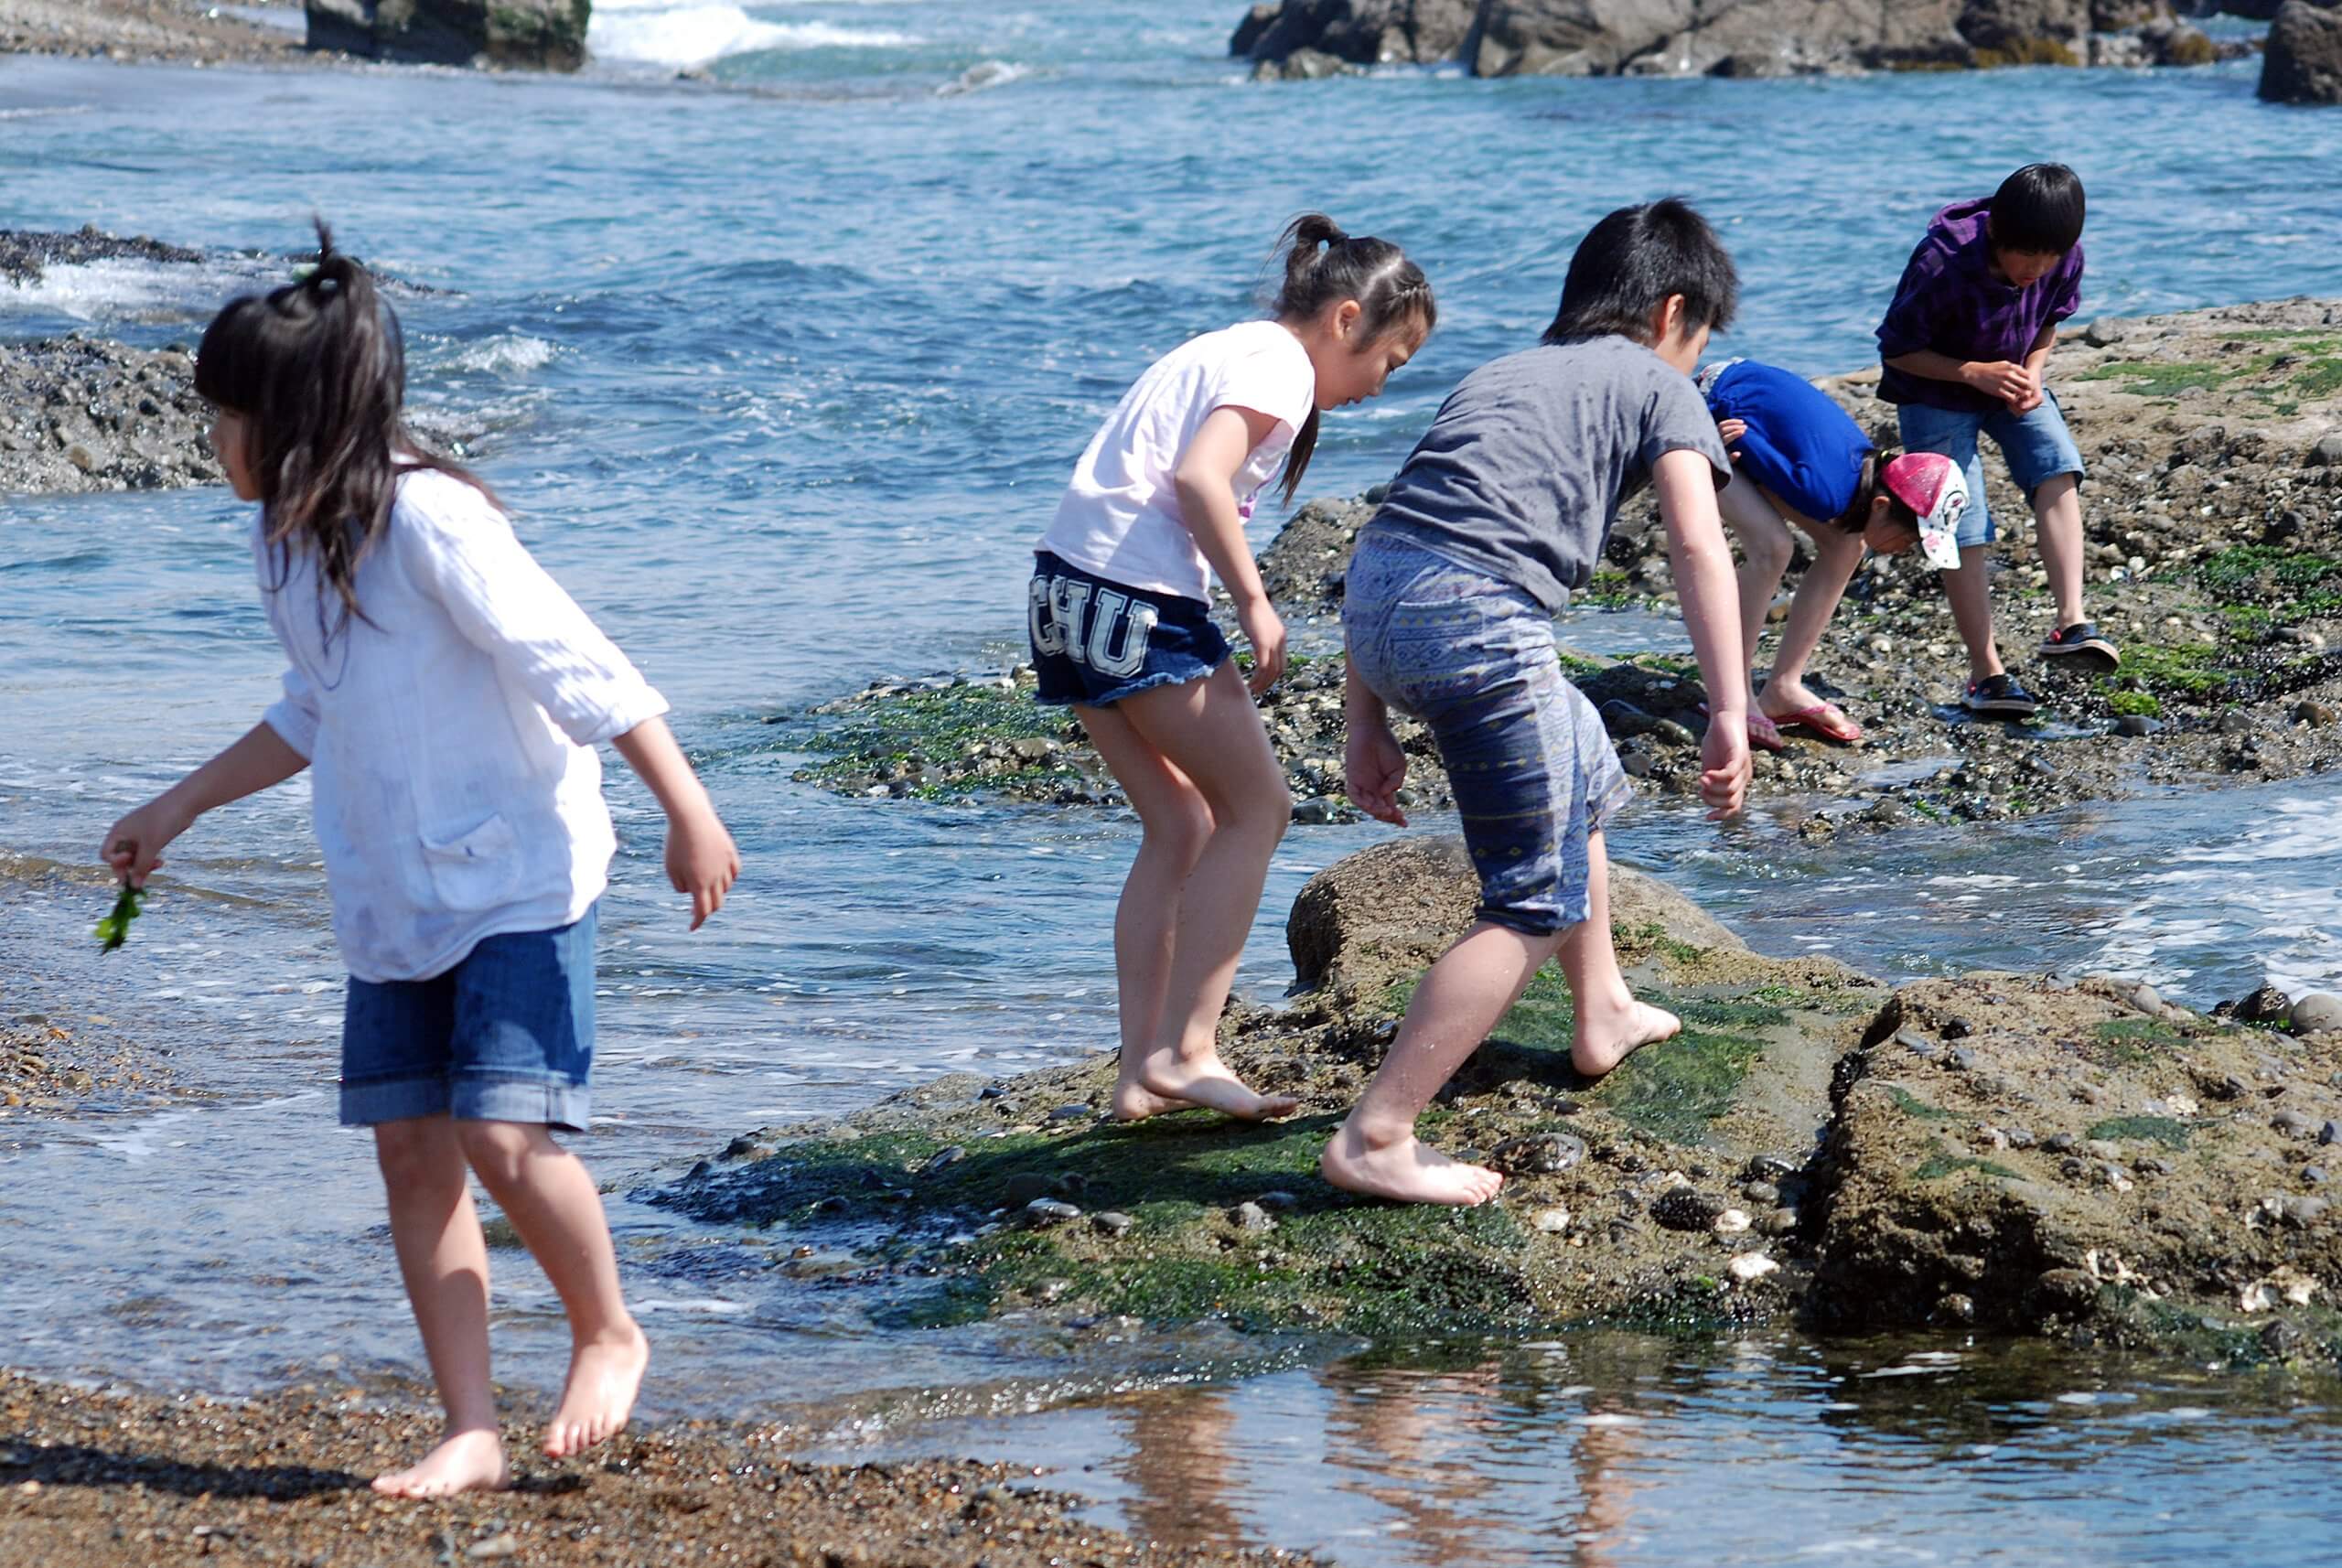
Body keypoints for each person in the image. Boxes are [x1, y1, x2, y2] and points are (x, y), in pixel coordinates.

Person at [99, 227, 740, 1499]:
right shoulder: (287, 540)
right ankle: (470, 1424)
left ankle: (609, 1329)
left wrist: (688, 807)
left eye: (224, 416)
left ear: (293, 418)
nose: (209, 441)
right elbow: (310, 709)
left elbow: (579, 662)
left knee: (507, 1132)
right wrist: (178, 805)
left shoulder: (433, 518)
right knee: (411, 1149)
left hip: (519, 877)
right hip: (392, 893)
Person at [1326, 198, 1750, 1208]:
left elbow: (1401, 526)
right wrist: (1729, 704)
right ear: (1671, 314)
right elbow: (1700, 545)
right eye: (1697, 342)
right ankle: (1376, 1132)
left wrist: (1364, 716)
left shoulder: (1501, 374)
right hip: (1477, 620)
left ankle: (1600, 1006)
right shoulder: (1658, 382)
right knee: (1530, 898)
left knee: (1582, 755)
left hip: (1380, 604)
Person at [1029, 214, 1434, 1124]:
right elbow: (1199, 478)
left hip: (1061, 595)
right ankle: (1191, 1048)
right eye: (1389, 364)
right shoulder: (1279, 368)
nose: (1380, 388)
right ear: (1343, 320)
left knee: (1179, 822)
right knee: (1260, 808)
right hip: (1132, 602)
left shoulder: (1228, 346)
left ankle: (1141, 1074)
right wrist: (1254, 602)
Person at [1875, 161, 2121, 720]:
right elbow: (1896, 350)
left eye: (2049, 257)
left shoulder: (2062, 252)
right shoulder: (1942, 261)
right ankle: (1986, 675)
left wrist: (2032, 371)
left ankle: (2071, 622)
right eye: (2025, 256)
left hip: (2010, 380)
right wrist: (1972, 372)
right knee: (1959, 516)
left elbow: (2049, 322)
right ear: (1994, 235)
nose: (2036, 269)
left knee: (2057, 464)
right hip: (1934, 388)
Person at [1697, 356, 1966, 747]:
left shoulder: (1862, 475)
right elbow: (1744, 442)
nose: (1904, 551)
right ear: (1880, 506)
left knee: (1846, 545)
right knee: (1773, 547)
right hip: (1708, 409)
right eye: (1909, 540)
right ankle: (1731, 693)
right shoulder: (1823, 493)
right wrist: (1702, 438)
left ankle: (1783, 686)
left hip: (1741, 389)